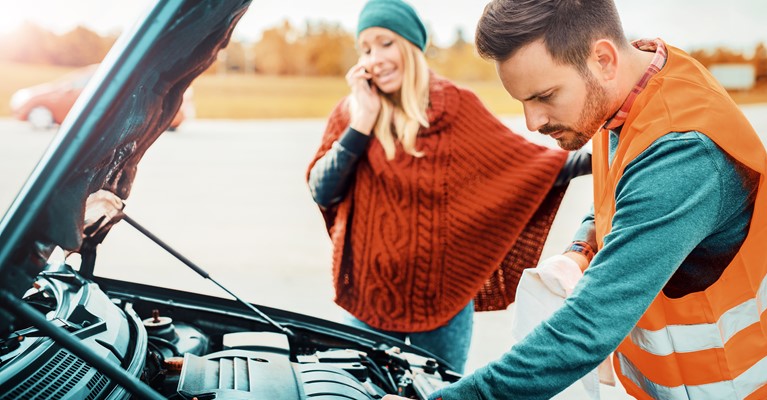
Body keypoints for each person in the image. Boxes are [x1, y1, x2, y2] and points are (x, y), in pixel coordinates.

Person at [382, 0, 767, 399]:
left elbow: (585, 330)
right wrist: (580, 250)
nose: (533, 122)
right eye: (523, 102)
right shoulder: (629, 90)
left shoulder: (683, 155)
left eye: (545, 96)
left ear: (603, 59)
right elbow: (622, 191)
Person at [306, 0, 592, 374]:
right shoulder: (353, 110)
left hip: (443, 300)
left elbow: (524, 165)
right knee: (355, 389)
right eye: (366, 48)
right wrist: (362, 123)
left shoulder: (456, 106)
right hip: (367, 296)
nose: (375, 58)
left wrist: (604, 154)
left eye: (385, 43)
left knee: (440, 390)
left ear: (410, 46)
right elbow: (322, 191)